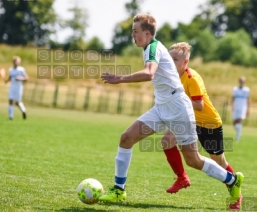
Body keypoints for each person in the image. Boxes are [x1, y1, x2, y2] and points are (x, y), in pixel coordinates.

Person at [98, 13, 244, 210]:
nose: (132, 35)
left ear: (147, 33)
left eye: (135, 31)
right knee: (126, 138)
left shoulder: (152, 47)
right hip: (161, 107)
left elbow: (149, 73)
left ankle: (231, 180)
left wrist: (120, 79)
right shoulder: (149, 47)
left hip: (178, 108)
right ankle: (118, 189)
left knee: (193, 160)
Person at [161, 42, 242, 209]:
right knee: (167, 140)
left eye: (175, 59)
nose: (171, 62)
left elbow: (199, 105)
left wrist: (177, 101)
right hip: (187, 120)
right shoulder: (171, 76)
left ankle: (235, 192)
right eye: (169, 58)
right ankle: (181, 178)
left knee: (219, 162)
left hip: (209, 123)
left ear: (185, 62)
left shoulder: (192, 78)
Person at [4, 56, 28, 120]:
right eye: (14, 61)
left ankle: (24, 111)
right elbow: (10, 77)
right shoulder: (10, 69)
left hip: (19, 87)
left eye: (17, 61)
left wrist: (20, 78)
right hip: (12, 87)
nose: (15, 63)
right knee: (10, 100)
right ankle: (11, 116)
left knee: (17, 103)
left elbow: (26, 78)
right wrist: (7, 81)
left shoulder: (21, 69)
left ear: (19, 62)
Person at [232, 76, 250, 141]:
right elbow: (233, 98)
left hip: (243, 107)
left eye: (243, 81)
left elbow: (248, 100)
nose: (242, 82)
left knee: (239, 121)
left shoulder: (246, 90)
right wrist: (232, 106)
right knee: (234, 122)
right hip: (236, 107)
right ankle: (239, 132)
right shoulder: (235, 89)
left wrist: (248, 109)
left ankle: (238, 136)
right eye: (241, 81)